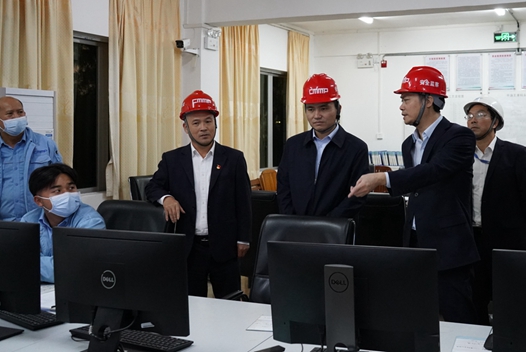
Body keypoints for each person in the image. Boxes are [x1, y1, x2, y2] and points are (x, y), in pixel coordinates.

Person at [349, 66, 480, 324]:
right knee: (419, 316)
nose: (401, 106)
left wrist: (383, 178)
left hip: (449, 246)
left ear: (429, 100)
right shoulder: (408, 144)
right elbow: (416, 186)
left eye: (406, 99)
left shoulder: (459, 136)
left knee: (457, 318)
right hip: (415, 242)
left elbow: (433, 171)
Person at [145, 90, 252, 298]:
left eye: (208, 121)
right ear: (186, 128)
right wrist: (167, 198)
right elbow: (152, 187)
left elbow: (244, 201)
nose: (203, 127)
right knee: (193, 305)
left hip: (225, 246)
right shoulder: (172, 160)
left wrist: (244, 239)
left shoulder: (234, 158)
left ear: (215, 124)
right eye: (196, 123)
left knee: (229, 303)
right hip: (189, 248)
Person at [463, 96, 526, 325]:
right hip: (471, 240)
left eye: (481, 115)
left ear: (495, 122)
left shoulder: (515, 154)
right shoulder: (461, 155)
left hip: (507, 242)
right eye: (469, 115)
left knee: (509, 301)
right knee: (474, 300)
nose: (473, 120)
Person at [277, 73, 368, 218]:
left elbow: (356, 196)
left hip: (336, 228)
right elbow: (283, 188)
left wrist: (326, 225)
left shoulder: (356, 148)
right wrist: (292, 220)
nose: (317, 115)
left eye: (324, 108)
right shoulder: (293, 145)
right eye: (310, 109)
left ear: (338, 109)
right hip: (295, 225)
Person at [21, 163, 105, 283]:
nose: (67, 194)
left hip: (79, 287)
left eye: (71, 188)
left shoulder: (91, 222)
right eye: (57, 191)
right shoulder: (29, 220)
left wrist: (27, 265)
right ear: (39, 201)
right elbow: (19, 258)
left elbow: (73, 268)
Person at [0, 96, 62, 221]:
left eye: (20, 112)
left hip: (39, 221)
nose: (17, 117)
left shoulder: (45, 144)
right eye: (10, 113)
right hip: (4, 224)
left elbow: (60, 182)